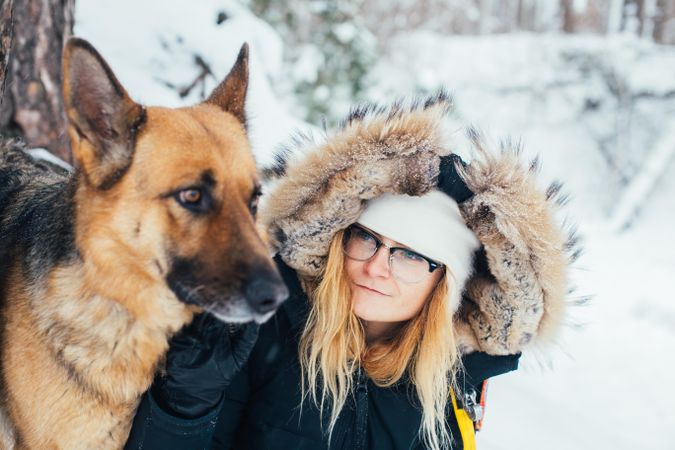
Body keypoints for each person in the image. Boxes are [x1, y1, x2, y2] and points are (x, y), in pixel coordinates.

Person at [125, 92, 573, 450]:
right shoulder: (267, 330)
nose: (377, 266)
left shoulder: (449, 384)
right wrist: (185, 403)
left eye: (411, 256)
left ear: (445, 283)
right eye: (368, 238)